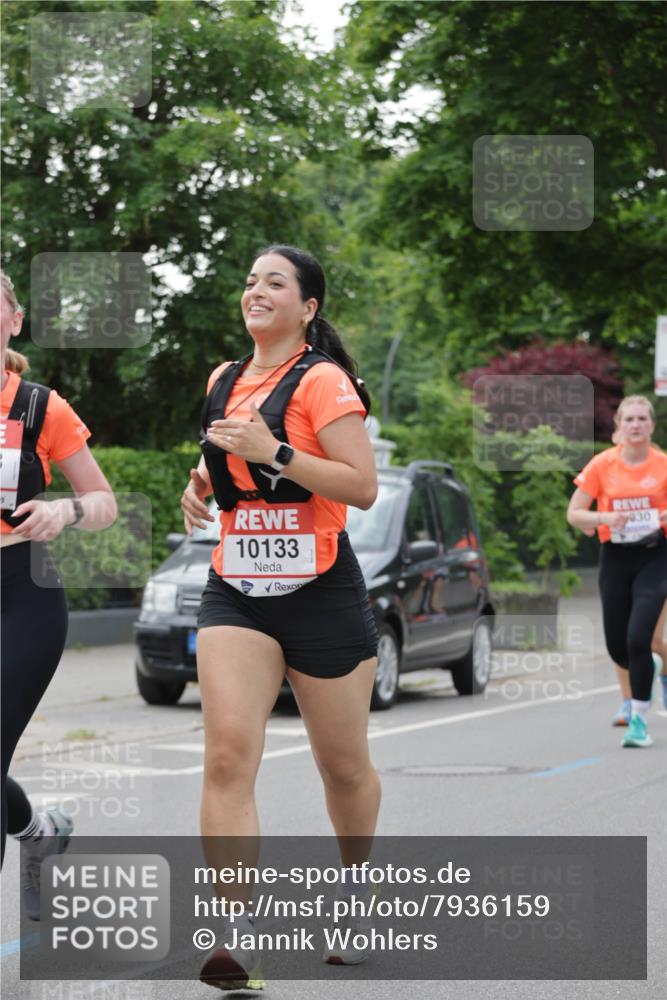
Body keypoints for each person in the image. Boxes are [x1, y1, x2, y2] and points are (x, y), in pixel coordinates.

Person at [180, 245, 380, 989]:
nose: (255, 290)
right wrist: (200, 481)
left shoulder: (323, 382)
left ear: (308, 308)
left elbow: (360, 487)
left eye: (275, 282)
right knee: (228, 756)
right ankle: (239, 937)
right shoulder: (223, 380)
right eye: (250, 280)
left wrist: (279, 450)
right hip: (236, 586)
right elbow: (228, 456)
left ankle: (355, 890)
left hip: (321, 587)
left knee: (343, 765)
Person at [0, 269, 117, 915]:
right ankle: (38, 834)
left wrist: (64, 512)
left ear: (14, 321)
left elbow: (103, 501)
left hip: (23, 595)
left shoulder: (42, 407)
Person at [567, 395, 667, 747]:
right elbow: (575, 513)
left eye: (642, 419)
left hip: (656, 557)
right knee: (617, 647)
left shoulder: (663, 465)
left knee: (639, 637)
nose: (636, 425)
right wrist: (605, 518)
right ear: (619, 427)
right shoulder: (602, 465)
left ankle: (638, 720)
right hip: (615, 556)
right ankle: (647, 670)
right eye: (629, 420)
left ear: (652, 426)